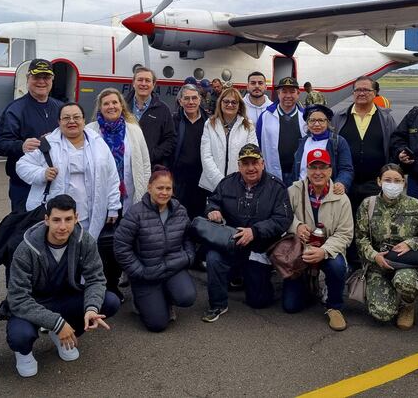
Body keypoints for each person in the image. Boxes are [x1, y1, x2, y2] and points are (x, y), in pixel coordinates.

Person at [6, 195, 120, 377]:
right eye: (56, 220)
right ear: (46, 220)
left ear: (76, 218)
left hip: (64, 298)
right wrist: (57, 323)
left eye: (68, 219)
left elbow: (96, 279)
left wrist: (91, 308)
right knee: (20, 336)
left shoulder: (85, 241)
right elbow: (18, 299)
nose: (62, 226)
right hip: (33, 303)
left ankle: (63, 333)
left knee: (109, 302)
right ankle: (24, 353)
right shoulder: (26, 249)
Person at [202, 144, 293, 322]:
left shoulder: (277, 187)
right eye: (245, 163)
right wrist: (212, 210)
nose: (250, 168)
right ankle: (218, 304)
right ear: (239, 166)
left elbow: (283, 219)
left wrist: (255, 231)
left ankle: (251, 278)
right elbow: (212, 201)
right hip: (231, 243)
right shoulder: (227, 183)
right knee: (213, 257)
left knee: (259, 302)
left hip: (258, 248)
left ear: (263, 163)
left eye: (255, 163)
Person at [15, 102, 120, 239]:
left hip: (88, 214)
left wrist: (113, 206)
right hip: (56, 217)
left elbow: (111, 176)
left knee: (84, 249)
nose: (72, 121)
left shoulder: (98, 143)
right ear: (59, 121)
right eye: (66, 118)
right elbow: (22, 165)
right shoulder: (47, 143)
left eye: (76, 117)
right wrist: (42, 173)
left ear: (84, 120)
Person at [114, 167, 197, 332]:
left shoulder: (180, 210)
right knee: (157, 324)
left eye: (168, 188)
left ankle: (166, 297)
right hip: (147, 273)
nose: (164, 192)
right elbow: (121, 247)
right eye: (160, 188)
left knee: (187, 297)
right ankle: (140, 301)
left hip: (173, 267)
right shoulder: (135, 213)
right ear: (149, 187)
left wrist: (188, 257)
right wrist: (139, 271)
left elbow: (188, 237)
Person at [87, 88, 152, 298]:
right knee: (103, 244)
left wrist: (144, 193)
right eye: (106, 103)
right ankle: (102, 285)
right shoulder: (91, 130)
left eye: (115, 102)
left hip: (130, 196)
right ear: (100, 107)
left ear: (121, 105)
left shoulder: (133, 129)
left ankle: (117, 283)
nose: (111, 107)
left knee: (125, 241)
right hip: (101, 198)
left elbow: (144, 162)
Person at [284, 149, 353, 331]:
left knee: (338, 266)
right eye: (313, 167)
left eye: (322, 167)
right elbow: (283, 218)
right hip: (300, 250)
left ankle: (334, 306)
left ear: (330, 170)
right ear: (307, 169)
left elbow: (345, 234)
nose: (317, 172)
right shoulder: (293, 191)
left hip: (327, 251)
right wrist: (296, 226)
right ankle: (310, 286)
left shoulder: (342, 199)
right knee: (291, 306)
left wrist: (323, 251)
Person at [355, 164, 418, 330]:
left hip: (408, 266)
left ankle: (408, 305)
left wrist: (411, 243)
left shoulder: (415, 205)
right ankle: (391, 297)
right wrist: (375, 257)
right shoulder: (368, 205)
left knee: (405, 282)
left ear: (404, 183)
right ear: (379, 181)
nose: (392, 184)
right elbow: (360, 239)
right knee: (382, 313)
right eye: (387, 180)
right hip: (378, 264)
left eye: (397, 180)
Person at [331, 76, 396, 242]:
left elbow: (394, 147)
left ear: (375, 93)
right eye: (357, 90)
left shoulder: (386, 119)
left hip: (374, 182)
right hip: (346, 183)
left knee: (373, 223)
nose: (361, 93)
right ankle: (350, 259)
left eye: (366, 90)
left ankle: (371, 259)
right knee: (346, 222)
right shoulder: (339, 117)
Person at [0, 59, 63, 212]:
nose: (41, 82)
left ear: (52, 80)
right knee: (23, 227)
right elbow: (0, 144)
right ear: (28, 79)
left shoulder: (60, 108)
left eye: (46, 77)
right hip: (24, 185)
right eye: (36, 77)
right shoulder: (15, 109)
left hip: (55, 183)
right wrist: (21, 145)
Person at [199, 87, 258, 193]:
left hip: (239, 185)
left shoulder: (248, 125)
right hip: (212, 185)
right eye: (226, 101)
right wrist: (221, 182)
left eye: (234, 102)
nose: (230, 105)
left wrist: (235, 182)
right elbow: (206, 156)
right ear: (220, 103)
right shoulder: (209, 124)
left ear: (239, 105)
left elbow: (251, 156)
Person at [256, 76, 307, 186]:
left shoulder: (306, 118)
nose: (288, 96)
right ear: (278, 94)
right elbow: (258, 144)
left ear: (298, 94)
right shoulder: (265, 116)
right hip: (272, 174)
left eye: (292, 92)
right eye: (284, 91)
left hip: (299, 175)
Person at [291, 104, 353, 195]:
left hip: (328, 193)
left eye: (321, 120)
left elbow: (346, 169)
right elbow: (296, 170)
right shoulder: (303, 142)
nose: (316, 124)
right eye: (312, 120)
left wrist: (341, 183)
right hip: (302, 193)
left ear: (327, 122)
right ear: (307, 123)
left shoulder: (338, 142)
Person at [172, 84, 210, 219]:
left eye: (194, 98)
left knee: (200, 217)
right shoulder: (173, 121)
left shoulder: (210, 122)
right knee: (179, 216)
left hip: (202, 180)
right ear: (180, 101)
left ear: (200, 100)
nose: (191, 102)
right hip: (179, 180)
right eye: (186, 98)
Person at [124, 67, 176, 167]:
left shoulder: (163, 109)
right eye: (140, 80)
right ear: (133, 83)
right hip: (124, 165)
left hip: (150, 167)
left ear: (153, 85)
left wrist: (152, 155)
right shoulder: (122, 106)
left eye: (148, 80)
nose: (143, 84)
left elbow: (170, 139)